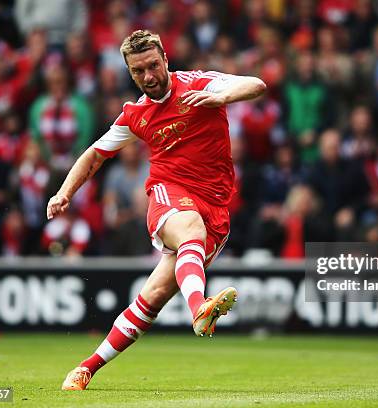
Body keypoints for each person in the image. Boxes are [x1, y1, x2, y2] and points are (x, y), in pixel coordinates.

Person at [49, 30, 266, 390]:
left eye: (152, 65)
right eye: (138, 72)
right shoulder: (136, 114)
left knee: (152, 297)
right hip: (169, 194)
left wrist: (221, 97)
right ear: (130, 74)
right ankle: (200, 307)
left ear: (165, 58)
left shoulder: (199, 82)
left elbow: (256, 84)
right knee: (190, 228)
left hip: (215, 205)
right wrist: (64, 192)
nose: (148, 76)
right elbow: (94, 154)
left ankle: (85, 368)